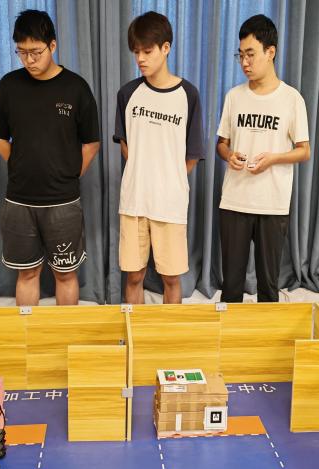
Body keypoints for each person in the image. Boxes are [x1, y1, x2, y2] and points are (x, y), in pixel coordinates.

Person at [0, 10, 100, 306]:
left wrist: (68, 173)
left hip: (63, 202)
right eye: (21, 52)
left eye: (35, 52)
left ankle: (64, 331)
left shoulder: (76, 88)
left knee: (65, 274)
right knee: (26, 273)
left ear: (52, 45)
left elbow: (91, 143)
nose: (29, 60)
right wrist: (20, 164)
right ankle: (28, 332)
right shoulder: (8, 86)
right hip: (19, 201)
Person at [216, 14, 311, 303]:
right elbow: (221, 145)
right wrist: (230, 155)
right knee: (231, 285)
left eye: (251, 54)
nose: (244, 62)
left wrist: (273, 158)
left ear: (270, 52)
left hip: (273, 203)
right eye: (240, 55)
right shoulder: (234, 96)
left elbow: (304, 150)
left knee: (268, 286)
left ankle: (266, 332)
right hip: (234, 200)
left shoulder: (292, 98)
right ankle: (230, 331)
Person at [113, 11, 205, 304]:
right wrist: (143, 171)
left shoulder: (188, 95)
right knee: (134, 275)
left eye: (147, 51)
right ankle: (136, 329)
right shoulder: (128, 93)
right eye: (136, 52)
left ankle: (169, 331)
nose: (140, 58)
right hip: (134, 201)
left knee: (171, 278)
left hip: (170, 203)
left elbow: (192, 154)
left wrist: (168, 180)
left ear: (166, 48)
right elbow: (125, 143)